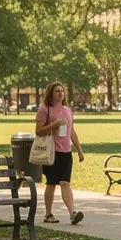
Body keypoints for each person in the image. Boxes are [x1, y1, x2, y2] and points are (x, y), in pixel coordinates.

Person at [35, 82, 86, 225]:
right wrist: (53, 125)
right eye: (57, 91)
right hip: (52, 152)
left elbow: (72, 131)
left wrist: (79, 150)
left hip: (66, 152)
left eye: (62, 91)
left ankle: (72, 214)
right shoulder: (45, 110)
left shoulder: (68, 110)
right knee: (51, 183)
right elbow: (38, 131)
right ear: (51, 93)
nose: (60, 93)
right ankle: (48, 214)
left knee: (65, 183)